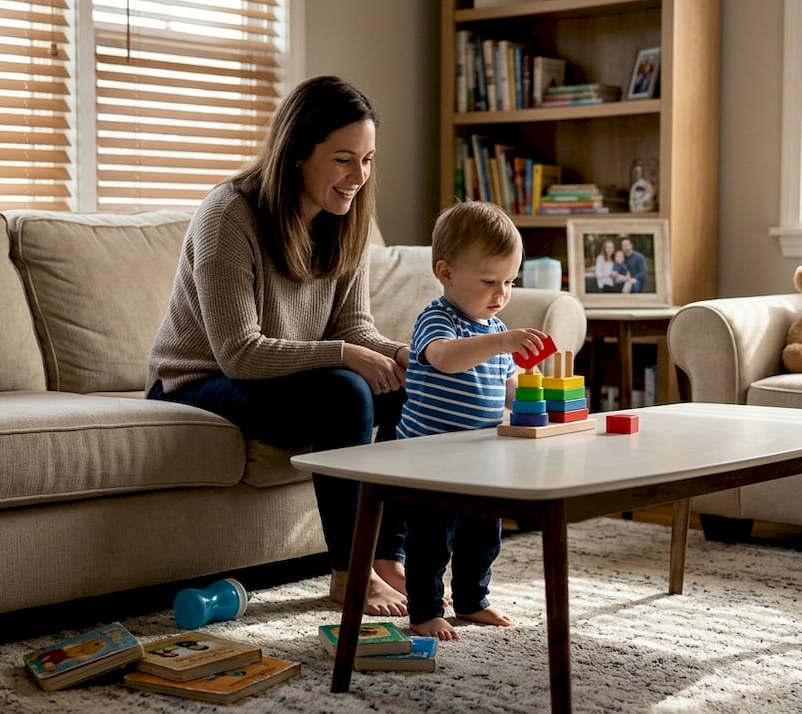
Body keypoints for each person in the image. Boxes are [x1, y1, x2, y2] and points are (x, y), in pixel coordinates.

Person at [145, 76, 411, 617]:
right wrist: (343, 355)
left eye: (367, 160)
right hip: (197, 382)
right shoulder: (229, 215)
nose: (358, 176)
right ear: (296, 154)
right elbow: (238, 353)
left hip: (283, 378)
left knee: (404, 387)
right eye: (343, 159)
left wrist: (404, 356)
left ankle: (388, 558)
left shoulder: (349, 217)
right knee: (346, 392)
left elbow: (354, 326)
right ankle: (347, 574)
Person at [396, 201, 548, 640]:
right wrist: (501, 341)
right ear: (446, 273)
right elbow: (443, 359)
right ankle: (424, 611)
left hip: (479, 460)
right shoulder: (439, 320)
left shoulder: (493, 328)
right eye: (488, 282)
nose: (500, 294)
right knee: (430, 541)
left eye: (509, 282)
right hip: (429, 459)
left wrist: (547, 396)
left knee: (483, 536)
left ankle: (471, 599)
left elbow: (509, 389)